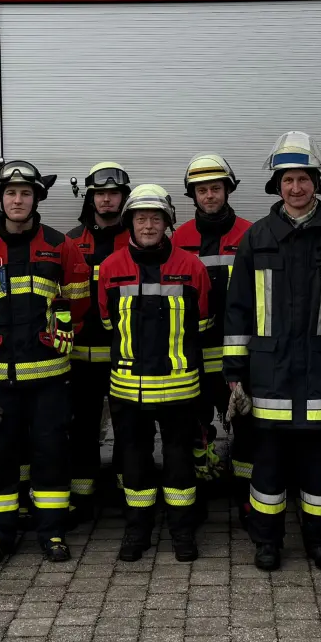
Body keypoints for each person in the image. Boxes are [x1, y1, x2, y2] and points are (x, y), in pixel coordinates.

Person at [223, 132, 321, 573]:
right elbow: (238, 309)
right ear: (277, 185)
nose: (296, 187)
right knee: (267, 467)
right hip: (268, 373)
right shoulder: (256, 238)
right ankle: (266, 542)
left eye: (304, 178)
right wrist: (234, 371)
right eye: (288, 179)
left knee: (320, 469)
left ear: (315, 183)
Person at [0, 160, 91, 564]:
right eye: (11, 193)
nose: (18, 200)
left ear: (37, 198)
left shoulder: (60, 245)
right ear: (0, 198)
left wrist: (65, 318)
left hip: (49, 378)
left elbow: (79, 299)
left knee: (51, 456)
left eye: (26, 193)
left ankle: (51, 533)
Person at [96, 184, 213, 563]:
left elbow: (205, 321)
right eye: (141, 218)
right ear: (129, 222)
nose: (148, 225)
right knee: (134, 458)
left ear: (168, 223)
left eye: (156, 218)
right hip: (127, 387)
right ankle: (138, 529)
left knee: (179, 460)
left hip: (180, 386)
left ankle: (182, 531)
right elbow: (105, 320)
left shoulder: (191, 266)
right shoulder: (111, 267)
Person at [172, 154, 253, 520]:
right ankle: (200, 490)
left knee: (247, 426)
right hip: (194, 353)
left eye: (215, 188)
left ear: (227, 190)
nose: (209, 196)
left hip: (240, 354)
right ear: (193, 195)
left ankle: (250, 496)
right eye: (202, 190)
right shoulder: (180, 238)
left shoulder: (250, 234)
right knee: (196, 425)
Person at [66, 162, 131, 519]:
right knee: (82, 428)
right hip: (79, 358)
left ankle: (126, 493)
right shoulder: (71, 241)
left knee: (128, 427)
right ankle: (83, 497)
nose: (107, 200)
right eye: (101, 194)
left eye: (114, 193)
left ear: (124, 197)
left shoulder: (136, 239)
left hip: (124, 355)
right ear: (91, 198)